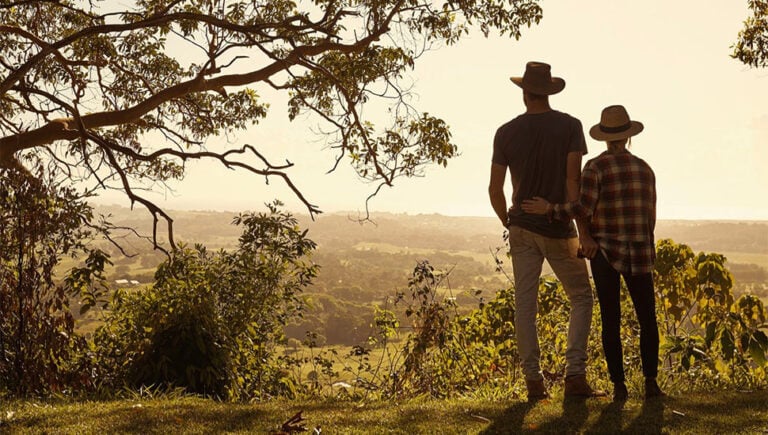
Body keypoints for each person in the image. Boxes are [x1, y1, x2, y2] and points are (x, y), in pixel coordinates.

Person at [522, 104, 665, 401]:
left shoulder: (596, 168)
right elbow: (649, 217)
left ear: (604, 138)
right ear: (628, 138)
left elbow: (582, 208)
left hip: (606, 254)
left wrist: (550, 209)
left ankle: (619, 387)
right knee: (647, 319)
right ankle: (651, 383)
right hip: (640, 252)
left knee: (611, 319)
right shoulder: (645, 169)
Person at [488, 61, 603, 401]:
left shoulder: (505, 132)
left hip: (522, 227)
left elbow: (495, 190)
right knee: (581, 297)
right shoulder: (569, 126)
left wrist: (508, 221)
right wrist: (583, 230)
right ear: (549, 92)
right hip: (557, 227)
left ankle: (534, 384)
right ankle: (575, 377)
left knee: (526, 305)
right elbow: (572, 182)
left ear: (525, 94)